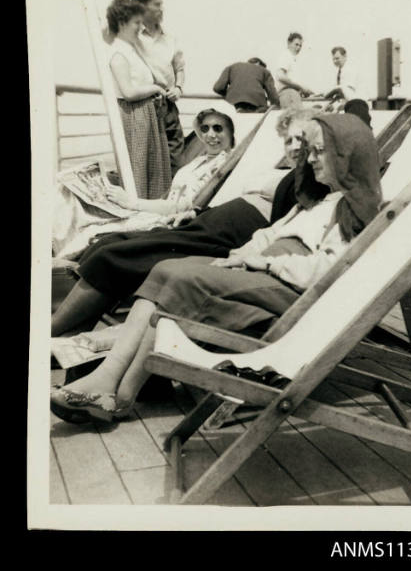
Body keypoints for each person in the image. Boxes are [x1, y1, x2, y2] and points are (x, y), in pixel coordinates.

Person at [50, 113, 382, 423]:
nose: (310, 158)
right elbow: (271, 233)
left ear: (347, 155)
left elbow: (325, 271)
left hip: (287, 296)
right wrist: (243, 253)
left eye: (320, 151)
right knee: (167, 268)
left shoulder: (355, 211)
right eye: (312, 150)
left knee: (181, 277)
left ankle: (120, 391)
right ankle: (110, 385)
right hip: (263, 277)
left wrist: (265, 262)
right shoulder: (320, 200)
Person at [50, 108, 316, 338]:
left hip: (227, 236)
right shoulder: (282, 171)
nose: (293, 146)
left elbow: (289, 223)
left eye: (301, 139)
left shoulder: (310, 179)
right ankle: (71, 337)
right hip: (207, 223)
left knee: (116, 254)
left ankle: (54, 329)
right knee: (109, 242)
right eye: (288, 140)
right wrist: (198, 211)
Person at [104, 108, 234, 217]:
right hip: (163, 212)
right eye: (205, 129)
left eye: (218, 128)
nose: (210, 135)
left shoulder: (222, 165)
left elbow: (182, 207)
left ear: (231, 134)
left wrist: (132, 203)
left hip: (178, 221)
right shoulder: (201, 160)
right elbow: (167, 198)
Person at [107, 0, 172, 199]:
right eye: (136, 22)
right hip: (133, 115)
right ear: (121, 23)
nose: (140, 26)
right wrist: (155, 88)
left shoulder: (131, 50)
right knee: (138, 170)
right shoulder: (118, 54)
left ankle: (151, 210)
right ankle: (139, 212)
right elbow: (128, 92)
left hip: (145, 114)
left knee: (152, 169)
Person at [132, 0, 186, 177]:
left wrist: (179, 87)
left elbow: (180, 68)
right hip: (142, 106)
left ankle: (172, 199)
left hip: (169, 106)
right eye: (157, 4)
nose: (161, 9)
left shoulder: (170, 38)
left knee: (176, 157)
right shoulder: (129, 38)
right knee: (146, 162)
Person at [213, 58, 280, 113]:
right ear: (259, 64)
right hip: (256, 102)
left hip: (233, 103)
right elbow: (272, 94)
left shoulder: (232, 67)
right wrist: (277, 105)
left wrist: (229, 94)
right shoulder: (265, 71)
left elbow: (218, 87)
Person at [275, 33, 316, 109]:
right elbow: (280, 76)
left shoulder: (292, 58)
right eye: (296, 44)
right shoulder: (286, 55)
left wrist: (302, 90)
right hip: (288, 93)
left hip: (292, 94)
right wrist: (301, 87)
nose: (298, 48)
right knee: (296, 118)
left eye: (300, 46)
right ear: (289, 43)